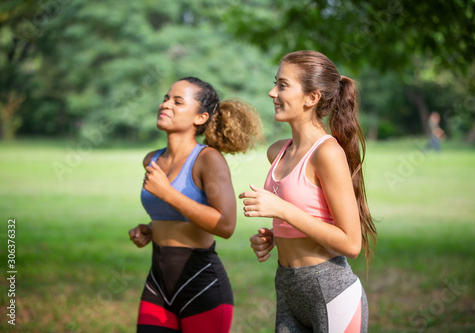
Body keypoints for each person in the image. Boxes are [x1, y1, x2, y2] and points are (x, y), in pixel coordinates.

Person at [239, 50, 377, 333]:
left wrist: (282, 210)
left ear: (311, 98)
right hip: (288, 288)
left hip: (331, 290)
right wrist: (275, 237)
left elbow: (351, 244)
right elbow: (310, 215)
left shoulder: (327, 153)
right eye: (275, 83)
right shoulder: (277, 151)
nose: (272, 92)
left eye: (282, 85)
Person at [129, 76, 262, 333]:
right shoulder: (152, 160)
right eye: (166, 98)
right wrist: (150, 228)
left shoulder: (208, 159)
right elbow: (174, 217)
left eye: (178, 102)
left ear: (200, 117)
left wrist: (169, 194)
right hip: (157, 283)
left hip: (201, 285)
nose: (166, 105)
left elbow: (225, 225)